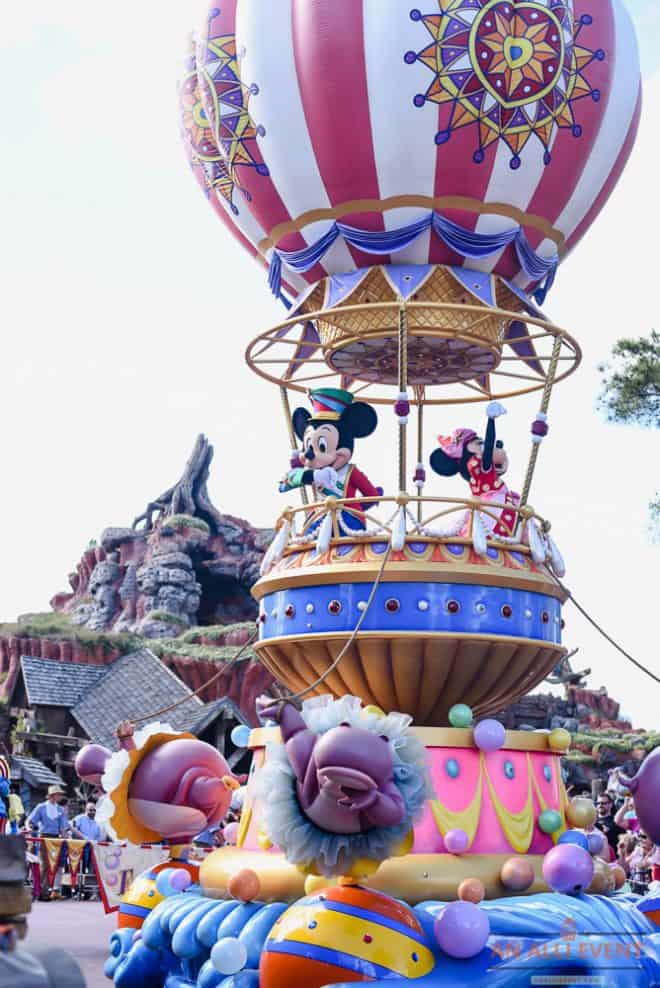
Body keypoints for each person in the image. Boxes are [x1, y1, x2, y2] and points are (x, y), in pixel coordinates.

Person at [27, 785, 69, 900]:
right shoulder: (41, 807)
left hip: (56, 839)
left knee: (52, 865)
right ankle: (39, 891)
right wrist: (29, 828)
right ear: (52, 795)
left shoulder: (60, 809)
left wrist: (67, 840)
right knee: (44, 864)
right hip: (44, 837)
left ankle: (43, 892)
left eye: (60, 794)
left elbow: (62, 828)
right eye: (58, 794)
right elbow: (30, 820)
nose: (60, 796)